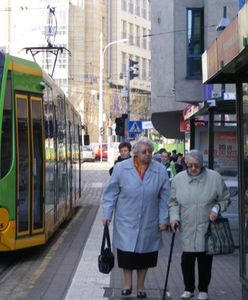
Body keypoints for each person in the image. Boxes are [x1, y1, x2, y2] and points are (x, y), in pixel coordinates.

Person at [102, 137, 170, 299]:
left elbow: (165, 197)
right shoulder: (121, 168)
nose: (148, 155)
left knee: (144, 256)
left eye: (150, 152)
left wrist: (163, 220)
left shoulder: (159, 170)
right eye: (144, 152)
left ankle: (141, 286)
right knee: (127, 254)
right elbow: (111, 193)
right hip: (126, 218)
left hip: (149, 218)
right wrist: (107, 214)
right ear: (136, 153)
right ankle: (127, 284)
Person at [169, 149, 230, 300]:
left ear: (202, 164)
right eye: (190, 165)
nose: (193, 168)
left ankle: (203, 289)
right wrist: (174, 218)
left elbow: (225, 198)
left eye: (196, 165)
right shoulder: (178, 179)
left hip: (207, 225)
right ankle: (188, 288)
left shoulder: (214, 178)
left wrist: (216, 208)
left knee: (205, 259)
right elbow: (173, 202)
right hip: (188, 226)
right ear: (186, 164)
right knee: (187, 260)